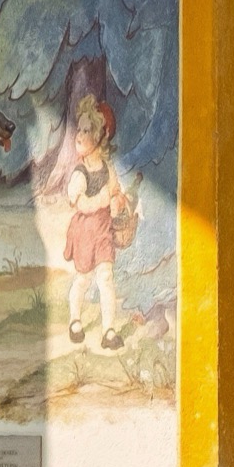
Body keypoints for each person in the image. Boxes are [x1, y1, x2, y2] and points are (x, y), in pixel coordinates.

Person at [54, 94, 144, 350]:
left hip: (103, 230)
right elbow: (79, 203)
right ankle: (75, 321)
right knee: (83, 279)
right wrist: (102, 199)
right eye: (79, 130)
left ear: (100, 137)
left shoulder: (107, 168)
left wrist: (118, 201)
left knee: (105, 277)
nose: (79, 136)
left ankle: (109, 331)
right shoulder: (80, 173)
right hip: (85, 232)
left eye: (86, 131)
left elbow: (114, 192)